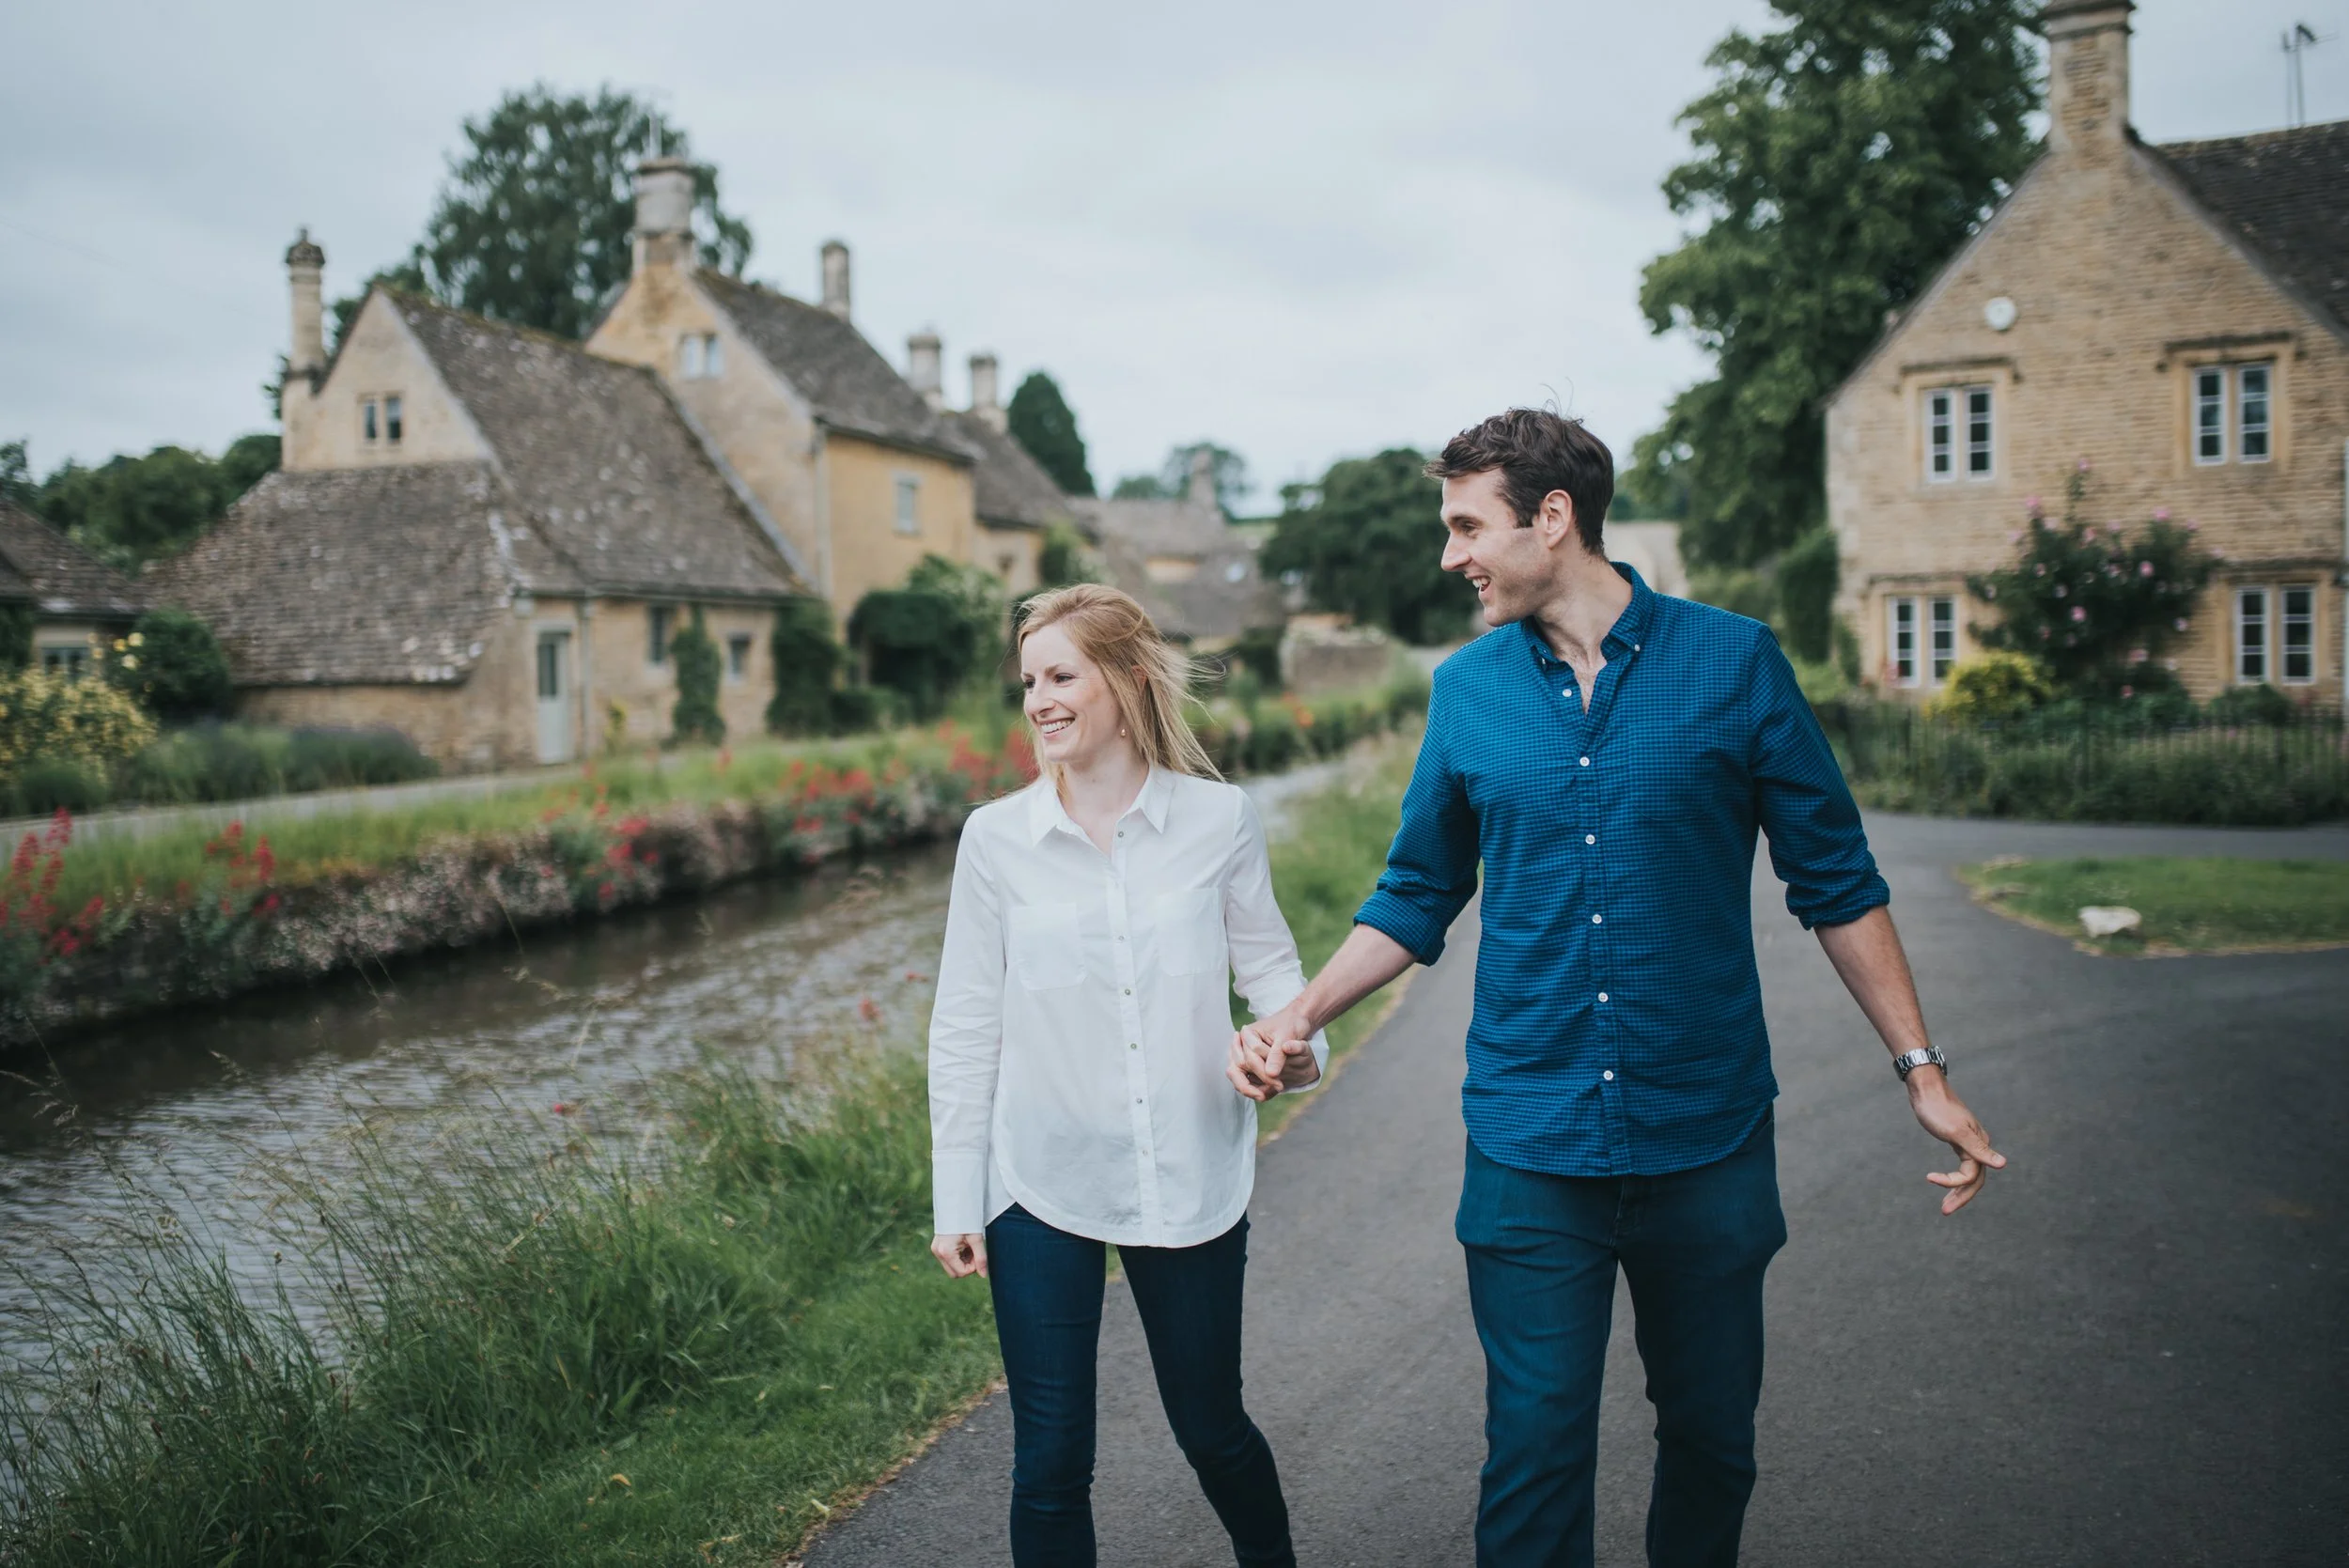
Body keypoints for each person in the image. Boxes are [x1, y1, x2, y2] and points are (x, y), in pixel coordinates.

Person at [1230, 409, 2005, 1568]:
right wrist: (1295, 1015)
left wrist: (1922, 1073)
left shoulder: (1733, 663)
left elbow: (1835, 882)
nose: (1451, 556)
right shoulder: (1467, 694)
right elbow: (1413, 892)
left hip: (1706, 1136)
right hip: (1530, 1141)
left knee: (1710, 1441)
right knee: (1533, 1449)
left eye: (1466, 525)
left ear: (1554, 518)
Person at [928, 582, 1324, 1568]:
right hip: (1037, 1180)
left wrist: (1287, 1047)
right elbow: (965, 1026)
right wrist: (956, 1195)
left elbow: (1274, 978)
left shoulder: (1219, 819)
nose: (1039, 699)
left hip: (1188, 1168)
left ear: (1127, 678)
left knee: (1211, 1428)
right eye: (1028, 680)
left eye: (1061, 674)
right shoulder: (994, 841)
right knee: (1050, 1458)